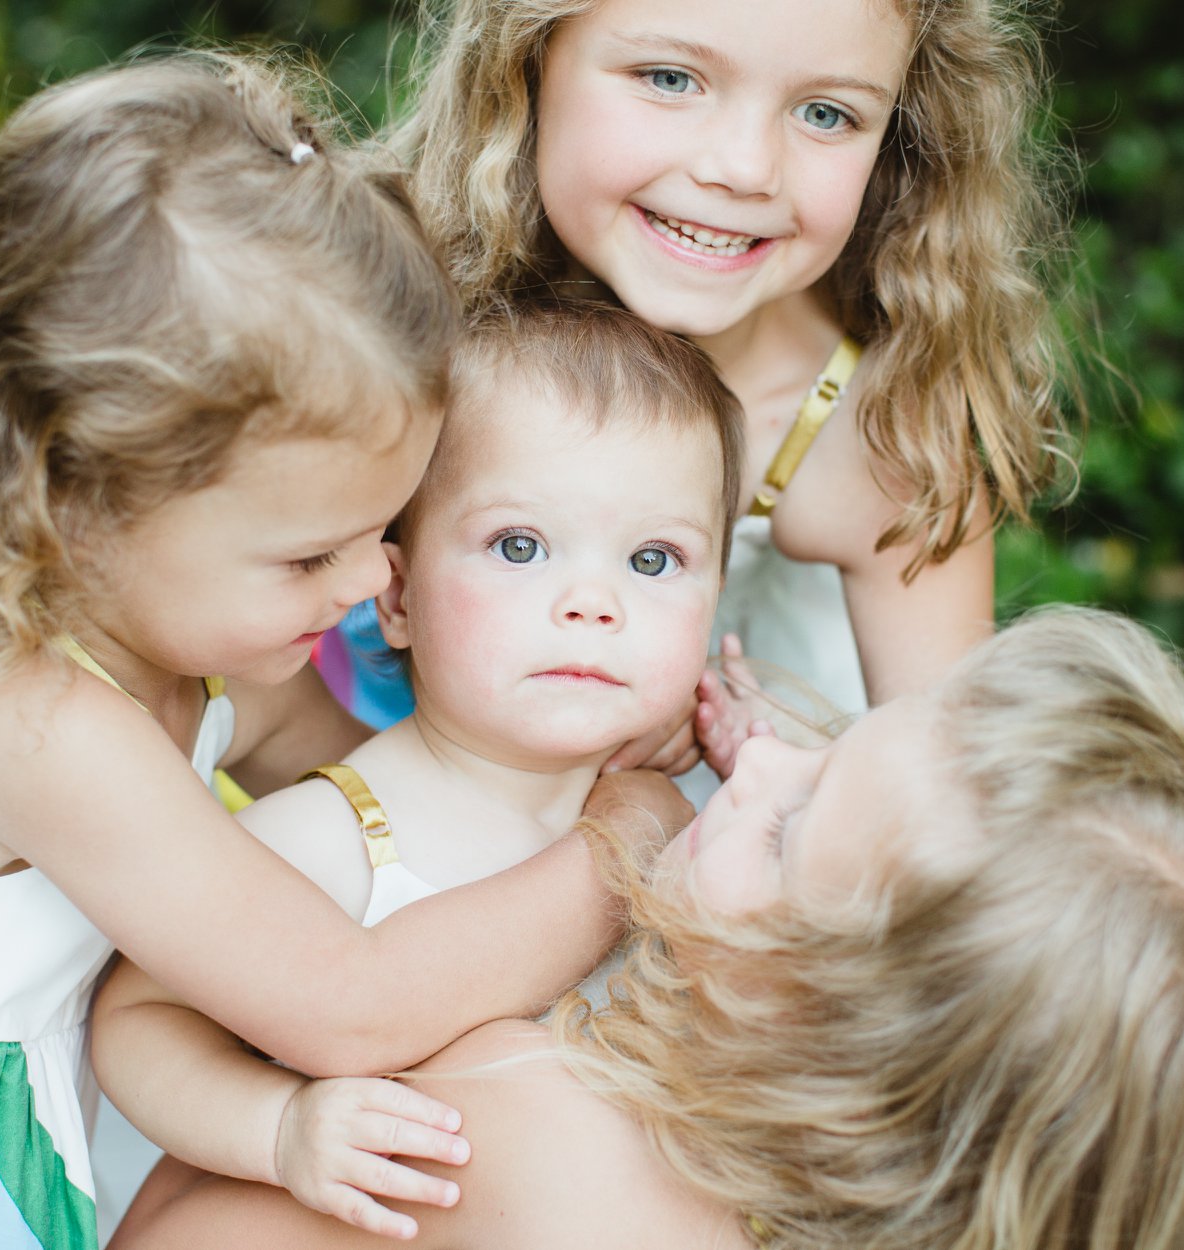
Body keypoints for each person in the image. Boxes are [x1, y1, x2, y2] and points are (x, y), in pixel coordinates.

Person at [0, 54, 681, 1244]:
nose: (371, 581)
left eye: (382, 531)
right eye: (310, 556)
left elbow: (407, 793)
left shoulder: (200, 649)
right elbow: (345, 1003)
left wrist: (555, 736)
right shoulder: (27, 715)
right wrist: (627, 836)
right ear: (78, 509)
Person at [109, 607, 1184, 1250]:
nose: (751, 766)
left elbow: (160, 1226)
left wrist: (623, 834)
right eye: (824, 745)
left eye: (790, 821)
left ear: (848, 1056)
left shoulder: (539, 1129)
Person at [93, 299, 748, 1240]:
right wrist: (277, 1127)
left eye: (654, 559)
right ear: (396, 598)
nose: (593, 601)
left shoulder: (697, 808)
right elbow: (138, 1017)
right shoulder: (344, 828)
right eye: (519, 547)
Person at [359, 0, 1072, 733]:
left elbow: (947, 783)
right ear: (526, 61)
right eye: (670, 78)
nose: (744, 168)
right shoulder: (379, 335)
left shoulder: (881, 440)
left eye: (825, 114)